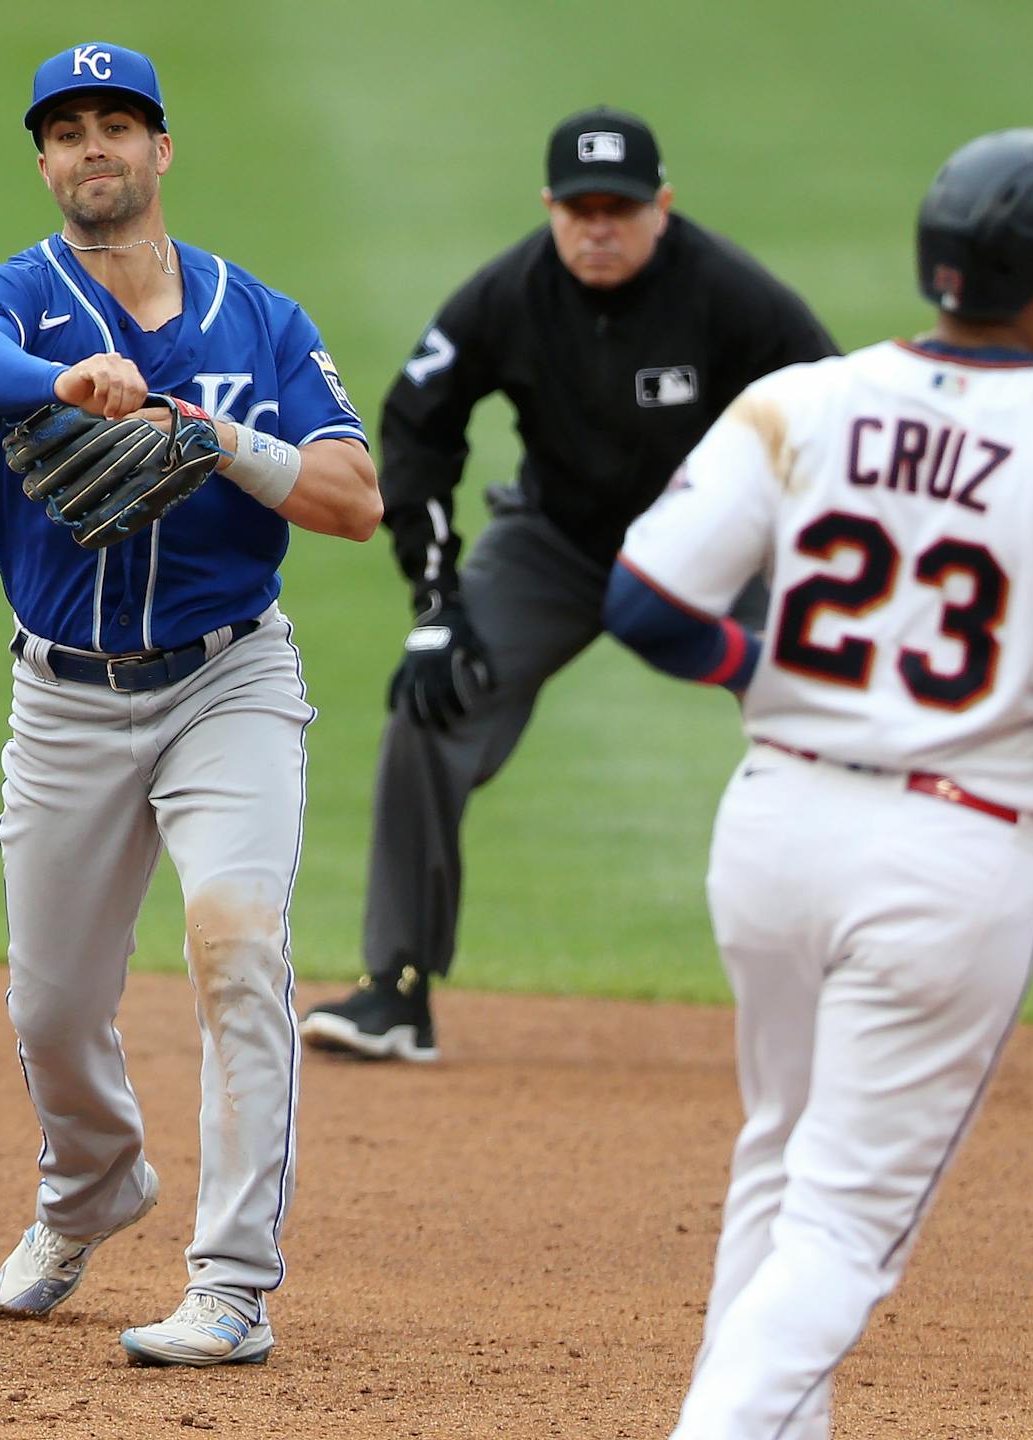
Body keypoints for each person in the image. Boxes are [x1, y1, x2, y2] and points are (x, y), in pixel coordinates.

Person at [602, 128, 1033, 1436]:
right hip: (951, 859)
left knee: (779, 1150)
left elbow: (647, 604)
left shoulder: (802, 401)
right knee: (845, 1225)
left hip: (772, 828)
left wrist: (761, 666)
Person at [0, 41, 379, 1368]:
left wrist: (221, 439)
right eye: (66, 132)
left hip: (230, 679)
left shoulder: (262, 320)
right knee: (51, 1012)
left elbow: (354, 502)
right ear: (45, 161)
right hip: (64, 703)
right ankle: (90, 1193)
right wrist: (62, 380)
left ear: (162, 149)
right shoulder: (13, 299)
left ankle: (232, 1284)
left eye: (117, 125)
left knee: (238, 948)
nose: (93, 150)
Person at [298, 107, 837, 1063]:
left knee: (826, 716)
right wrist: (436, 605)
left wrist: (808, 564)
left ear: (662, 207)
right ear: (548, 207)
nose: (599, 226)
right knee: (431, 701)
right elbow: (419, 423)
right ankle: (400, 986)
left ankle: (852, 993)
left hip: (717, 544)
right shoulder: (507, 294)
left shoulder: (729, 294)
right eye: (579, 207)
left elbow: (835, 411)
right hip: (560, 543)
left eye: (620, 208)